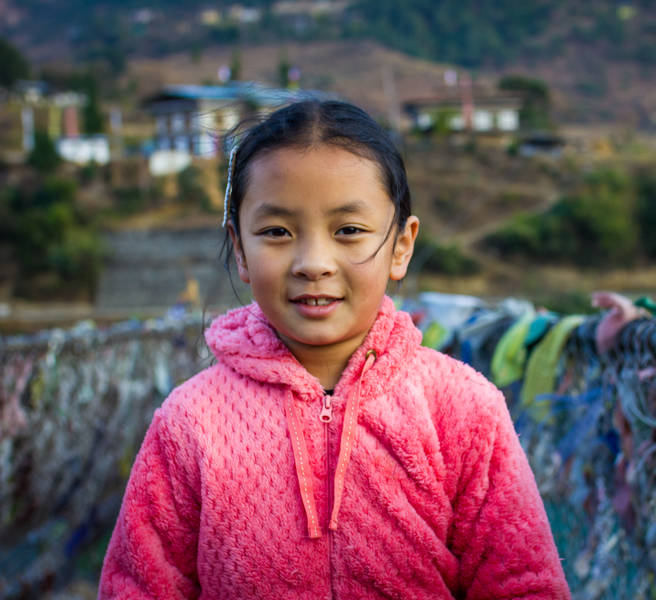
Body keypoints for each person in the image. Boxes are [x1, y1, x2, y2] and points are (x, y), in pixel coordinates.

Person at [98, 98, 570, 599]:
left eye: (348, 231)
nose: (314, 262)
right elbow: (138, 587)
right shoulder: (191, 422)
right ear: (239, 248)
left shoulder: (464, 409)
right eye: (277, 232)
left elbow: (525, 585)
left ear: (402, 246)